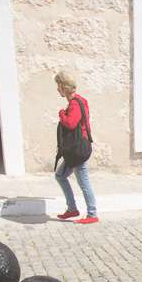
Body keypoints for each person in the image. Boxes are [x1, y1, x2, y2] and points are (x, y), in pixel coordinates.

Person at [53, 71, 99, 224]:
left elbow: (71, 123)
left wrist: (61, 113)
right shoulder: (80, 101)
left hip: (78, 149)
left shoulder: (75, 103)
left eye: (57, 86)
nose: (57, 89)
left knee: (83, 181)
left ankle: (92, 214)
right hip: (75, 149)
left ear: (62, 86)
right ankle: (72, 209)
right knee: (60, 175)